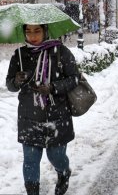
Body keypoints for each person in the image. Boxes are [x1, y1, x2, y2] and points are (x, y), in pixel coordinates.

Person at [6, 24, 80, 195]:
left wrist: (53, 87)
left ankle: (63, 172)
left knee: (56, 157)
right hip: (28, 116)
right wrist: (16, 80)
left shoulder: (60, 51)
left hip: (56, 116)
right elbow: (10, 85)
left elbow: (74, 78)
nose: (32, 35)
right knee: (30, 160)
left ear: (45, 31)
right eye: (28, 31)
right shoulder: (19, 55)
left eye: (37, 31)